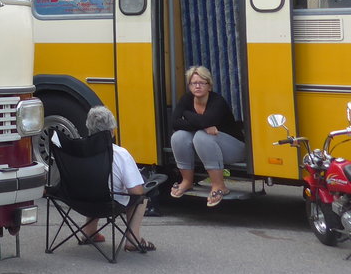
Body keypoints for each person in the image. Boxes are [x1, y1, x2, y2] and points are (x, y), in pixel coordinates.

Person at [76, 105, 156, 253]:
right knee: (141, 197)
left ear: (89, 127)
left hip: (79, 200)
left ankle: (89, 231)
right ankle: (133, 239)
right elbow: (136, 191)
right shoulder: (120, 154)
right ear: (112, 131)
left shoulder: (76, 148)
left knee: (93, 186)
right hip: (108, 203)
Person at [169, 65, 246, 207]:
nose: (197, 86)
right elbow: (175, 122)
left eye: (202, 83)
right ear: (189, 86)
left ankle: (219, 185)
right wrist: (201, 123)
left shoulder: (218, 101)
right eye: (194, 83)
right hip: (209, 147)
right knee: (178, 136)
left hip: (235, 148)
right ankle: (187, 181)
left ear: (209, 86)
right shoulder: (186, 99)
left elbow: (206, 120)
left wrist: (186, 115)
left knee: (200, 136)